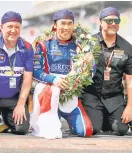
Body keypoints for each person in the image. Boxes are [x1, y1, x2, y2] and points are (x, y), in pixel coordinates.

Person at [31, 9, 93, 138]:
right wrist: (54, 80)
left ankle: (71, 121)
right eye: (62, 23)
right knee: (50, 132)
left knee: (86, 131)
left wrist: (90, 63)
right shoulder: (43, 44)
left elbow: (91, 74)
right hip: (50, 94)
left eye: (69, 23)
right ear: (55, 25)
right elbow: (36, 71)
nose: (66, 27)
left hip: (71, 96)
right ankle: (53, 116)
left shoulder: (81, 45)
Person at [81, 7, 132, 136]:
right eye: (109, 20)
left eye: (116, 20)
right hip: (92, 96)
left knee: (122, 130)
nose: (113, 23)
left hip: (114, 97)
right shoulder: (88, 43)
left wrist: (130, 106)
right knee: (93, 129)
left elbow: (131, 79)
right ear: (101, 23)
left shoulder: (126, 47)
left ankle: (105, 118)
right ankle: (99, 117)